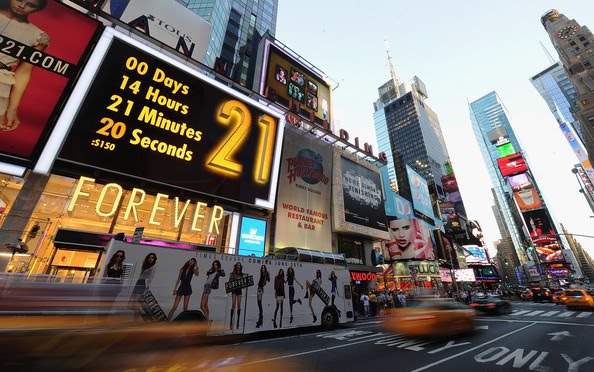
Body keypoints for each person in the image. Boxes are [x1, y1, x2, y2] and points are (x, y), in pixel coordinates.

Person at [0, 0, 50, 131]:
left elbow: (24, 71)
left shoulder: (38, 36)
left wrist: (12, 109)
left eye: (31, 5)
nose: (22, 6)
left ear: (38, 9)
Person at [128, 252, 157, 320]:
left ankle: (135, 320)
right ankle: (144, 316)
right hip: (138, 283)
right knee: (130, 304)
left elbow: (150, 278)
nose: (151, 259)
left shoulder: (153, 267)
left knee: (136, 303)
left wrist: (146, 288)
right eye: (149, 257)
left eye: (152, 258)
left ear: (154, 259)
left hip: (143, 284)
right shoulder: (145, 265)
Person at [228, 262, 245, 330]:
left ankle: (237, 321)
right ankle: (231, 322)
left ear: (240, 267)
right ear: (236, 266)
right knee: (233, 304)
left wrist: (241, 281)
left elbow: (243, 283)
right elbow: (230, 281)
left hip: (239, 289)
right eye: (237, 265)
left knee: (239, 305)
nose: (238, 266)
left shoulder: (241, 274)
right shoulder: (233, 273)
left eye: (239, 265)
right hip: (234, 289)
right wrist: (235, 279)